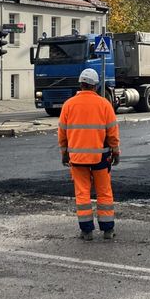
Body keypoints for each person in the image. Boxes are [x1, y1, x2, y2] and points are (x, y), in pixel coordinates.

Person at [58, 68, 120, 240]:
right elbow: (112, 133)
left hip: (77, 159)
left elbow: (62, 133)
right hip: (101, 157)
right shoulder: (104, 104)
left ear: (81, 84)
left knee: (82, 194)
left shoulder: (69, 105)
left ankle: (86, 231)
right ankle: (107, 230)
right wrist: (116, 151)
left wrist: (64, 153)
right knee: (104, 192)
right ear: (95, 85)